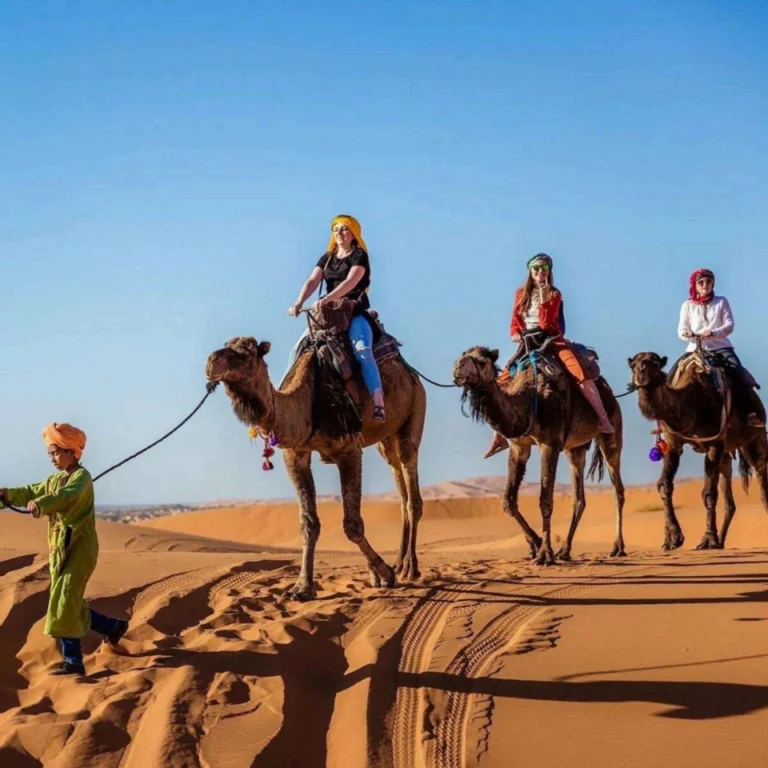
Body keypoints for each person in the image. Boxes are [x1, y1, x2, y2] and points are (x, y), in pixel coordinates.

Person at [0, 423, 128, 676]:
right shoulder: (54, 480)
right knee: (69, 600)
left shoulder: (82, 478)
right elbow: (30, 491)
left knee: (65, 599)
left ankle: (74, 662)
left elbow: (67, 495)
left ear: (71, 451)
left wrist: (42, 503)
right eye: (49, 454)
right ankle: (112, 627)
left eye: (56, 452)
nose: (52, 458)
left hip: (80, 548)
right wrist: (6, 495)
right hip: (61, 550)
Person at [484, 253, 614, 458]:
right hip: (528, 342)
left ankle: (603, 419)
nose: (540, 272)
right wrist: (515, 333)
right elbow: (515, 320)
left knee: (579, 373)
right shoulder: (521, 293)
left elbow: (546, 324)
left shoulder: (554, 294)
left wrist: (544, 300)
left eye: (544, 268)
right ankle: (498, 436)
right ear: (530, 270)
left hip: (551, 340)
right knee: (502, 382)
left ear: (549, 271)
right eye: (536, 268)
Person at [285, 214, 386, 421]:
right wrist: (299, 302)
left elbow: (351, 282)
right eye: (336, 229)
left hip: (353, 312)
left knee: (362, 350)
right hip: (327, 315)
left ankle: (378, 401)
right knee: (297, 350)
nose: (340, 233)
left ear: (353, 233)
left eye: (344, 229)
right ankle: (283, 398)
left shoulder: (359, 256)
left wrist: (328, 298)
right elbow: (312, 281)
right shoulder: (327, 257)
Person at [678, 268, 763, 425]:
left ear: (713, 284)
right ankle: (669, 419)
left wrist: (714, 333)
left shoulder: (721, 302)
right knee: (673, 375)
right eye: (701, 282)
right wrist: (687, 334)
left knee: (737, 371)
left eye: (708, 282)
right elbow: (681, 330)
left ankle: (749, 413)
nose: (705, 285)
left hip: (721, 347)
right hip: (694, 349)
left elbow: (729, 325)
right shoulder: (687, 305)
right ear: (695, 285)